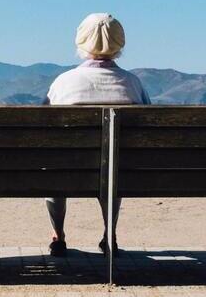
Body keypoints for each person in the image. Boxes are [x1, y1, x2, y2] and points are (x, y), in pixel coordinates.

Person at [44, 13, 151, 257]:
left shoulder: (63, 83)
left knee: (53, 169)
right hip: (120, 172)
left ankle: (58, 236)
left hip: (68, 171)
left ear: (80, 42)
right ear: (119, 43)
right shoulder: (133, 84)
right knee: (113, 166)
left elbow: (43, 127)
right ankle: (108, 234)